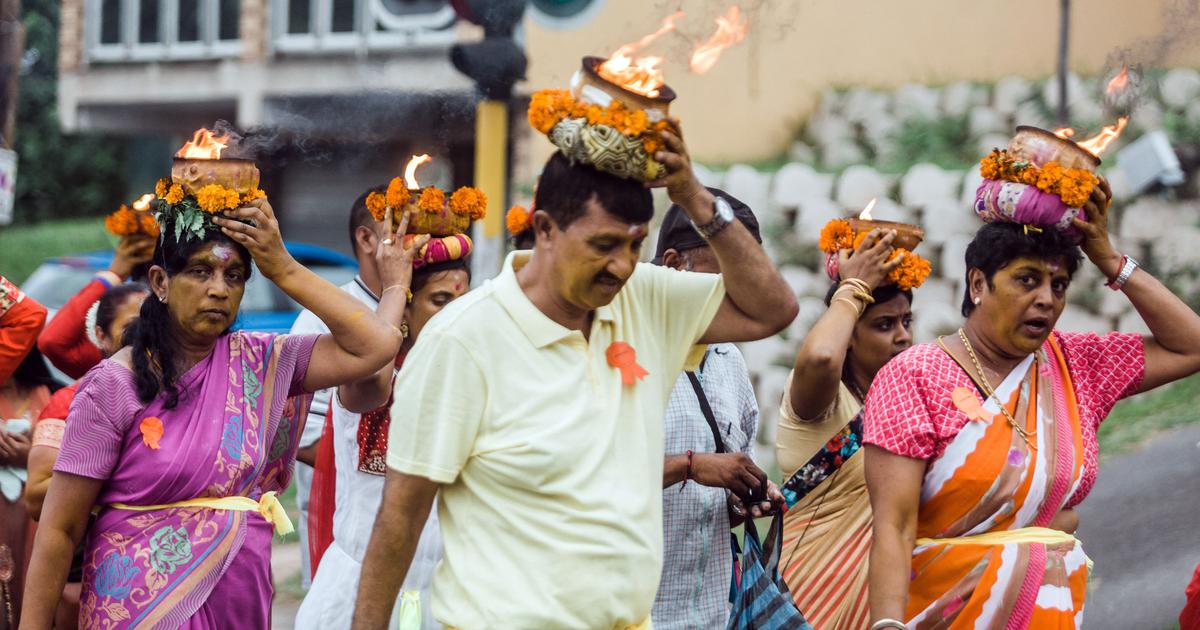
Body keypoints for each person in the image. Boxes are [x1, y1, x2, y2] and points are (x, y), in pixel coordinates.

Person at [352, 126, 798, 630]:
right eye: (603, 245)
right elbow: (399, 520)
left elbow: (772, 310)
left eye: (634, 245)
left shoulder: (644, 297)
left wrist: (693, 197)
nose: (622, 266)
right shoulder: (461, 342)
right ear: (544, 230)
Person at [21, 196, 408, 629]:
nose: (220, 289)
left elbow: (374, 346)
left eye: (235, 276)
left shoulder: (264, 361)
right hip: (139, 609)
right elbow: (60, 530)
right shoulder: (113, 385)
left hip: (237, 597)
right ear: (160, 282)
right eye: (201, 271)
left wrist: (282, 267)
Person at [864, 180, 1200, 629]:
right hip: (941, 614)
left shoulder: (1076, 365)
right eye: (1027, 279)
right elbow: (894, 527)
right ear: (978, 283)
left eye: (1058, 284)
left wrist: (1110, 261)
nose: (1046, 298)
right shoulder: (915, 376)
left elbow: (1191, 347)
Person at [296, 188, 473, 629]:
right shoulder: (370, 371)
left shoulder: (472, 374)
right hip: (364, 583)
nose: (455, 316)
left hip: (446, 586)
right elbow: (373, 379)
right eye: (440, 302)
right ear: (406, 310)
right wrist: (395, 285)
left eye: (464, 302)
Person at [650, 190, 783, 630]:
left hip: (712, 614)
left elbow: (721, 475)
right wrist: (690, 467)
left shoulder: (729, 361)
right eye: (728, 273)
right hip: (635, 615)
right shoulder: (619, 351)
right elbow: (587, 477)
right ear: (673, 265)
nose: (743, 295)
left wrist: (739, 495)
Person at [776, 228, 915, 630]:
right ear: (849, 335)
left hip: (884, 611)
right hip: (809, 605)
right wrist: (854, 287)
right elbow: (820, 356)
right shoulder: (823, 401)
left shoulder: (909, 407)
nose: (903, 335)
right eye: (885, 324)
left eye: (907, 320)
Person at [24, 281, 147, 629]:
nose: (146, 337)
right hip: (91, 576)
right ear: (101, 336)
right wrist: (114, 474)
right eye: (132, 328)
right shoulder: (71, 402)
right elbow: (36, 498)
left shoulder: (180, 395)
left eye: (156, 324)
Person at [0, 275, 50, 628]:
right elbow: (29, 313)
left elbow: (31, 315)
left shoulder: (50, 392)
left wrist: (33, 454)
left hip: (32, 516)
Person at [37, 234, 154, 379]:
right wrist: (112, 276)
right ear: (102, 337)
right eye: (132, 326)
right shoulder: (101, 363)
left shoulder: (180, 355)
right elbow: (51, 342)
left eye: (154, 321)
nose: (146, 331)